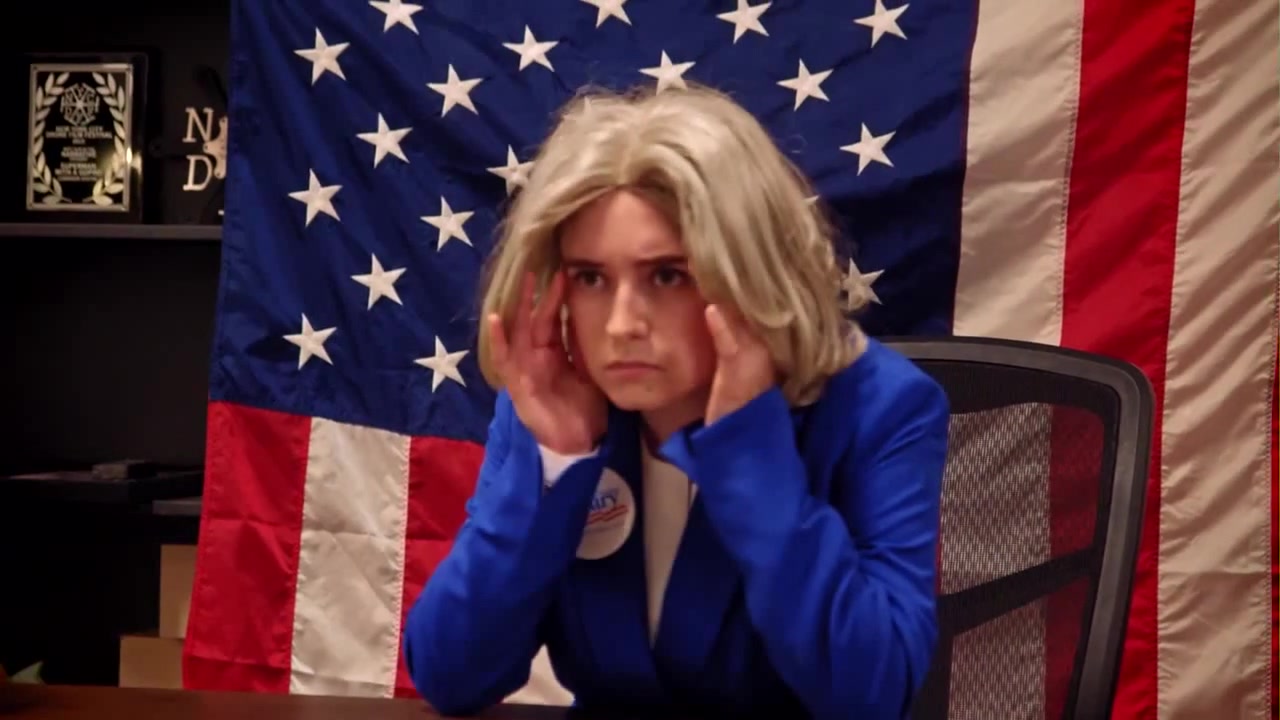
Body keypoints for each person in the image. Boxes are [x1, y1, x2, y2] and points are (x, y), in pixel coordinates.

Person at [402, 83, 950, 719]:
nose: (621, 325)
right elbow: (450, 674)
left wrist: (748, 455)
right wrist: (557, 462)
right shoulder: (555, 400)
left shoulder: (881, 407)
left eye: (667, 276)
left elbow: (873, 696)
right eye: (590, 278)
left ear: (749, 274)